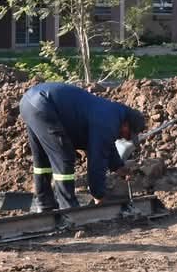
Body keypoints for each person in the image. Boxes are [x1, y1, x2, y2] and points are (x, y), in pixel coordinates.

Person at [18, 81, 146, 212]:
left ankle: (45, 204)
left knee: (42, 159)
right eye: (128, 134)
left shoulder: (111, 114)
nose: (125, 138)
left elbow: (106, 145)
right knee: (64, 157)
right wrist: (99, 194)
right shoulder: (109, 121)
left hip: (29, 102)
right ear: (126, 124)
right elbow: (97, 160)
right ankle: (69, 209)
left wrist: (118, 166)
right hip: (44, 105)